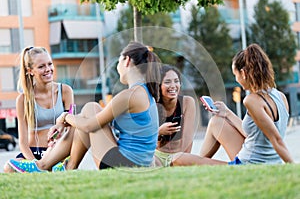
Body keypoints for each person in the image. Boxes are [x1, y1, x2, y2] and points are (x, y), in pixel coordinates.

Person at [8, 41, 162, 172]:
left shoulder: (130, 95)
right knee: (89, 110)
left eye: (119, 61)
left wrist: (64, 117)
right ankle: (65, 167)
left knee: (88, 110)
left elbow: (89, 126)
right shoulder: (142, 92)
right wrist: (69, 120)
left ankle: (45, 165)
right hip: (132, 161)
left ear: (127, 61)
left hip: (124, 163)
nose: (117, 66)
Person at [172, 43, 294, 166]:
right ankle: (199, 164)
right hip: (267, 159)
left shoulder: (252, 100)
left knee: (176, 158)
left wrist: (293, 168)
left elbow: (277, 140)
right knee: (217, 122)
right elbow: (259, 134)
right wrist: (227, 113)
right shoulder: (280, 97)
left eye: (235, 75)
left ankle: (198, 164)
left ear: (244, 73)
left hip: (249, 163)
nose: (236, 79)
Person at [3, 46, 74, 173]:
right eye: (41, 67)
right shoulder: (23, 99)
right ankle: (40, 168)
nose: (48, 69)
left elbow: (72, 128)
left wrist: (64, 157)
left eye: (49, 64)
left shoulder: (66, 91)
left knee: (67, 165)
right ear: (30, 71)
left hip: (58, 152)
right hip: (33, 153)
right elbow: (23, 143)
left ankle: (58, 166)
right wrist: (34, 163)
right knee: (8, 168)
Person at [154, 65, 197, 167]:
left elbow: (188, 140)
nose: (173, 86)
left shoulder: (187, 102)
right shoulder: (152, 104)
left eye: (176, 81)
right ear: (159, 85)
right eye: (167, 82)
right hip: (156, 156)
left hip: (179, 156)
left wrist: (182, 161)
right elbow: (144, 140)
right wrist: (159, 132)